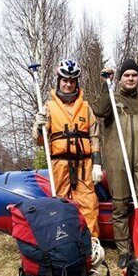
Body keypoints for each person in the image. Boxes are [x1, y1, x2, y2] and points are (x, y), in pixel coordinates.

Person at [91, 59, 138, 267]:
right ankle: (124, 251)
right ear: (120, 79)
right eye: (126, 75)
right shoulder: (112, 98)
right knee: (119, 207)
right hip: (117, 160)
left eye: (134, 75)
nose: (130, 78)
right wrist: (105, 84)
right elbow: (99, 111)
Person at [33, 59, 103, 237]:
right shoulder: (48, 108)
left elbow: (94, 136)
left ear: (76, 83)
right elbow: (40, 141)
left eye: (72, 81)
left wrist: (97, 163)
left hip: (83, 166)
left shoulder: (86, 108)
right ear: (59, 81)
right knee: (59, 205)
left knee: (88, 204)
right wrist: (38, 126)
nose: (68, 84)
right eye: (65, 80)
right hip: (59, 165)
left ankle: (91, 245)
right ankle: (65, 243)